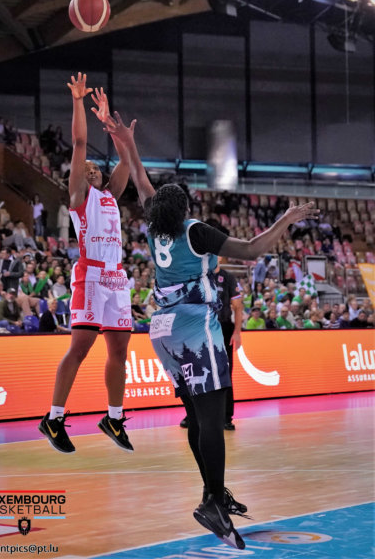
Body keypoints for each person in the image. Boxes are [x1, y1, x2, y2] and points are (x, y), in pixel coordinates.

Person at [103, 108, 318, 550]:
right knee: (213, 420)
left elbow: (141, 180)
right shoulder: (194, 231)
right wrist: (287, 219)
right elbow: (252, 249)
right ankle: (214, 502)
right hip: (193, 328)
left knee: (197, 418)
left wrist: (128, 143)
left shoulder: (155, 227)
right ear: (184, 208)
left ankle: (213, 493)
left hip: (162, 331)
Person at [38, 74, 133, 454]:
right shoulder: (80, 197)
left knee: (119, 350)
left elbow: (126, 160)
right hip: (91, 275)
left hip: (117, 277)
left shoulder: (111, 195)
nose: (92, 170)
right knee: (80, 347)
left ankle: (113, 417)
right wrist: (78, 101)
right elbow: (79, 143)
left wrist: (112, 127)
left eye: (96, 169)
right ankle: (53, 417)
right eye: (87, 168)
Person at [180, 254, 242, 430]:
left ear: (220, 258)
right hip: (199, 328)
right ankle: (193, 415)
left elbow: (238, 306)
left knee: (224, 373)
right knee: (197, 373)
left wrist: (237, 332)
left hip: (222, 328)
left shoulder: (228, 278)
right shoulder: (197, 276)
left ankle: (226, 417)